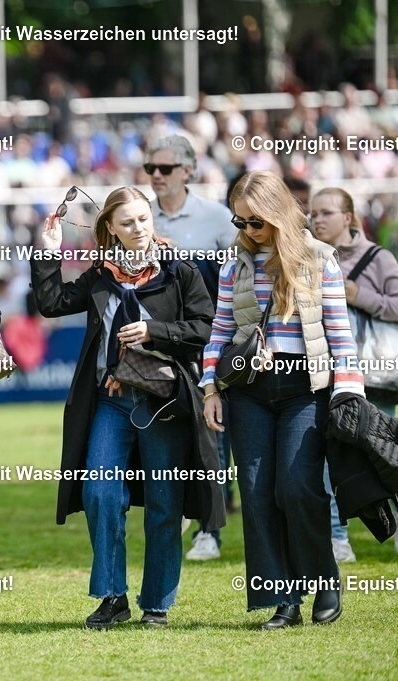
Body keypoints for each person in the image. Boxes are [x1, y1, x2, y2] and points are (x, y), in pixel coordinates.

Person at [31, 186, 225, 629]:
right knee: (99, 493)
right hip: (109, 400)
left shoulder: (180, 269)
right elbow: (51, 303)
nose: (138, 228)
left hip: (164, 402)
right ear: (111, 229)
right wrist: (48, 253)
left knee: (164, 504)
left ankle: (157, 602)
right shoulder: (101, 273)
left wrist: (155, 332)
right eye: (127, 223)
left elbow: (205, 326)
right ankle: (112, 597)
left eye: (143, 218)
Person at [202, 171, 364, 629]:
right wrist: (210, 388)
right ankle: (283, 599)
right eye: (240, 222)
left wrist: (348, 391)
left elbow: (340, 334)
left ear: (278, 214)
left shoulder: (320, 258)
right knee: (256, 494)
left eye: (256, 222)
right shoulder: (233, 265)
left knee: (296, 487)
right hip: (248, 391)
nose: (248, 230)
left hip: (304, 388)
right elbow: (220, 331)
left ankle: (324, 578)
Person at [147, 135, 237, 560]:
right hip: (156, 346)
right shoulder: (139, 217)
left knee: (213, 435)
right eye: (150, 168)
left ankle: (209, 530)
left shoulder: (217, 218)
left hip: (209, 341)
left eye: (164, 168)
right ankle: (177, 514)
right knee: (168, 435)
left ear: (187, 170)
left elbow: (238, 279)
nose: (156, 175)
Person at [311, 187, 398, 563]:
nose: (317, 219)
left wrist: (358, 294)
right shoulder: (308, 256)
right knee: (330, 458)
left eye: (326, 213)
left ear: (347, 217)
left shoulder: (380, 258)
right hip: (328, 376)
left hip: (376, 374)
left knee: (387, 454)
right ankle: (337, 537)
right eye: (313, 213)